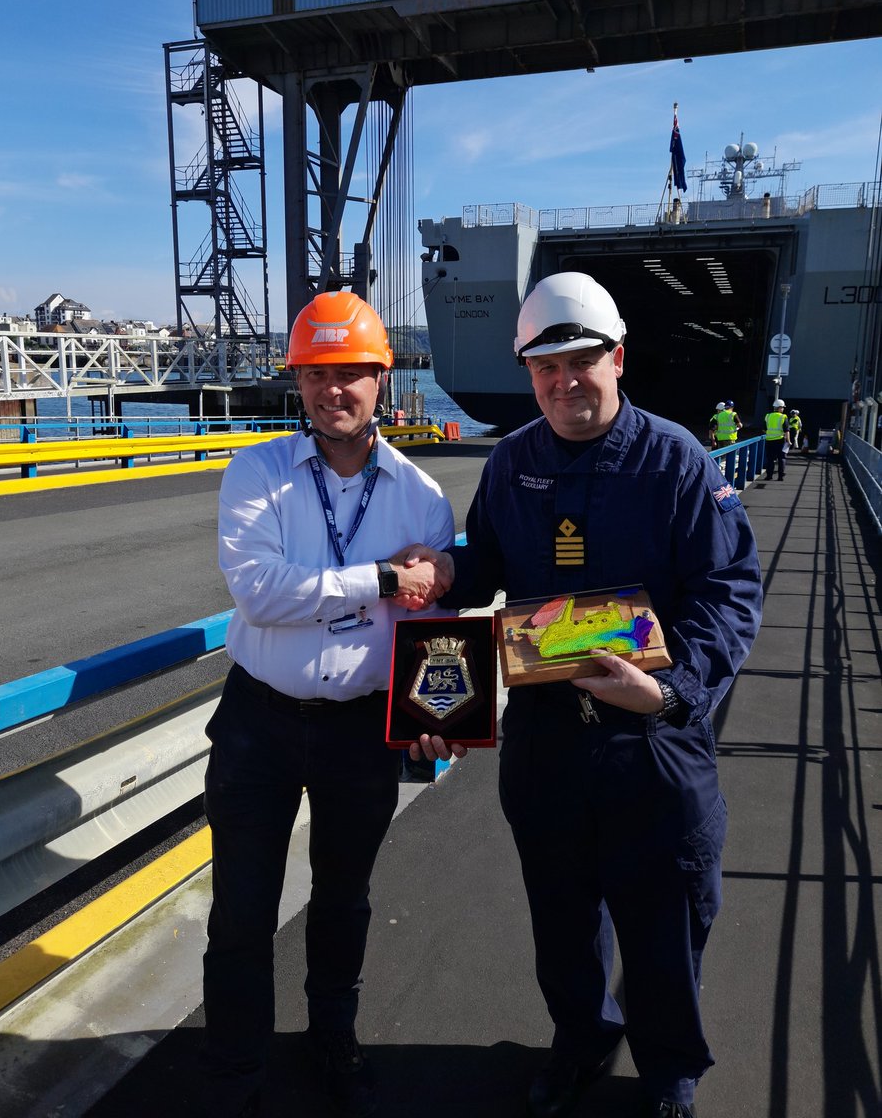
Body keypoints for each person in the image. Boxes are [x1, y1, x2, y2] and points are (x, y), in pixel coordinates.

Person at [408, 271, 762, 1118]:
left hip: (651, 738)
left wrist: (672, 690)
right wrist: (448, 576)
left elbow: (729, 589)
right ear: (531, 373)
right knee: (562, 917)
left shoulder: (676, 459)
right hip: (547, 736)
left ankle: (671, 1067)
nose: (565, 380)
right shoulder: (514, 462)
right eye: (546, 366)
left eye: (583, 360)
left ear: (619, 357)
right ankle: (583, 1039)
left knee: (665, 918)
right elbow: (486, 564)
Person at [200, 290, 460, 1118]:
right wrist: (381, 578)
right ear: (298, 384)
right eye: (316, 374)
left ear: (383, 377)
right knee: (242, 906)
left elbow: (439, 629)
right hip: (259, 722)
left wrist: (433, 724)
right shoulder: (258, 473)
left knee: (344, 897)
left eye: (350, 371)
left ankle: (332, 1038)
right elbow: (259, 593)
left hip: (360, 729)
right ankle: (237, 1067)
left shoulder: (422, 499)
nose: (332, 390)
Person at [763, 399, 790, 480]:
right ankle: (780, 476)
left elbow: (764, 429)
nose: (783, 409)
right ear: (779, 408)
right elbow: (786, 430)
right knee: (781, 458)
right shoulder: (783, 416)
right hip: (780, 440)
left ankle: (769, 476)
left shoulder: (767, 416)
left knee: (770, 459)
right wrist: (788, 441)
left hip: (769, 440)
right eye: (782, 407)